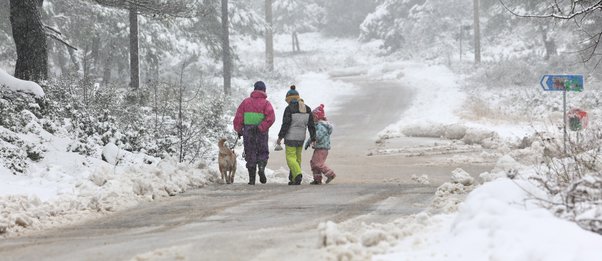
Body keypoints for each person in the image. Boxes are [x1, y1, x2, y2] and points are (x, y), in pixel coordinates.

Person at [233, 81, 275, 185]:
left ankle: (252, 180)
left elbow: (238, 117)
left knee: (250, 153)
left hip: (248, 132)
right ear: (264, 90)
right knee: (262, 152)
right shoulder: (266, 103)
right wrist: (261, 127)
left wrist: (239, 130)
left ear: (254, 89)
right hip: (261, 133)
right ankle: (261, 167)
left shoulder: (246, 102)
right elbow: (271, 118)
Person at [277, 85, 316, 185]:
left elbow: (285, 124)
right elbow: (311, 125)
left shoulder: (289, 109)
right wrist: (313, 138)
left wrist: (280, 137)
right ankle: (294, 179)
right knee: (298, 158)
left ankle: (298, 174)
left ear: (289, 99)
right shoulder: (307, 109)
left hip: (290, 137)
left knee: (290, 158)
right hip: (301, 138)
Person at [305, 104, 336, 184]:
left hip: (322, 148)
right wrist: (308, 142)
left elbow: (317, 135)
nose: (313, 119)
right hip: (319, 148)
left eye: (314, 117)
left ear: (318, 117)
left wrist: (312, 140)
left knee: (318, 163)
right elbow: (314, 136)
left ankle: (330, 174)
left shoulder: (322, 126)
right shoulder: (318, 125)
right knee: (313, 162)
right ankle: (317, 179)